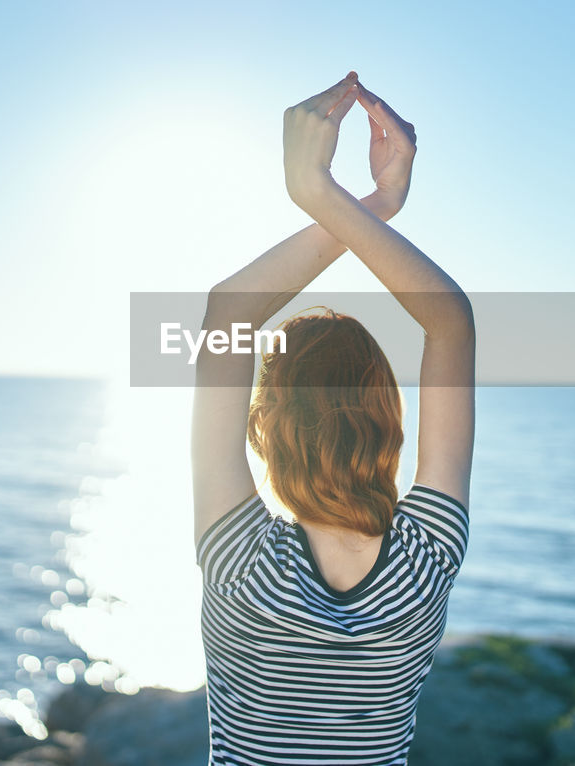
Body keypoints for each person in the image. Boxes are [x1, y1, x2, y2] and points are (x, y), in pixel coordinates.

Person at [191, 71, 475, 765]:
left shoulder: (240, 563)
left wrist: (340, 194)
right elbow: (450, 325)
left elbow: (228, 315)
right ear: (389, 418)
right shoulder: (428, 559)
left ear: (267, 429)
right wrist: (349, 200)